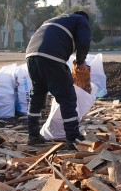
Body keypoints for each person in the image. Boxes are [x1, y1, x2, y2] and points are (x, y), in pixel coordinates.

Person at [25, 11, 91, 150]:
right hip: (52, 57)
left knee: (37, 94)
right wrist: (80, 61)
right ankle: (73, 138)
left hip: (31, 55)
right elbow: (84, 40)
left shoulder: (56, 19)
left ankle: (33, 135)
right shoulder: (81, 20)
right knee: (67, 97)